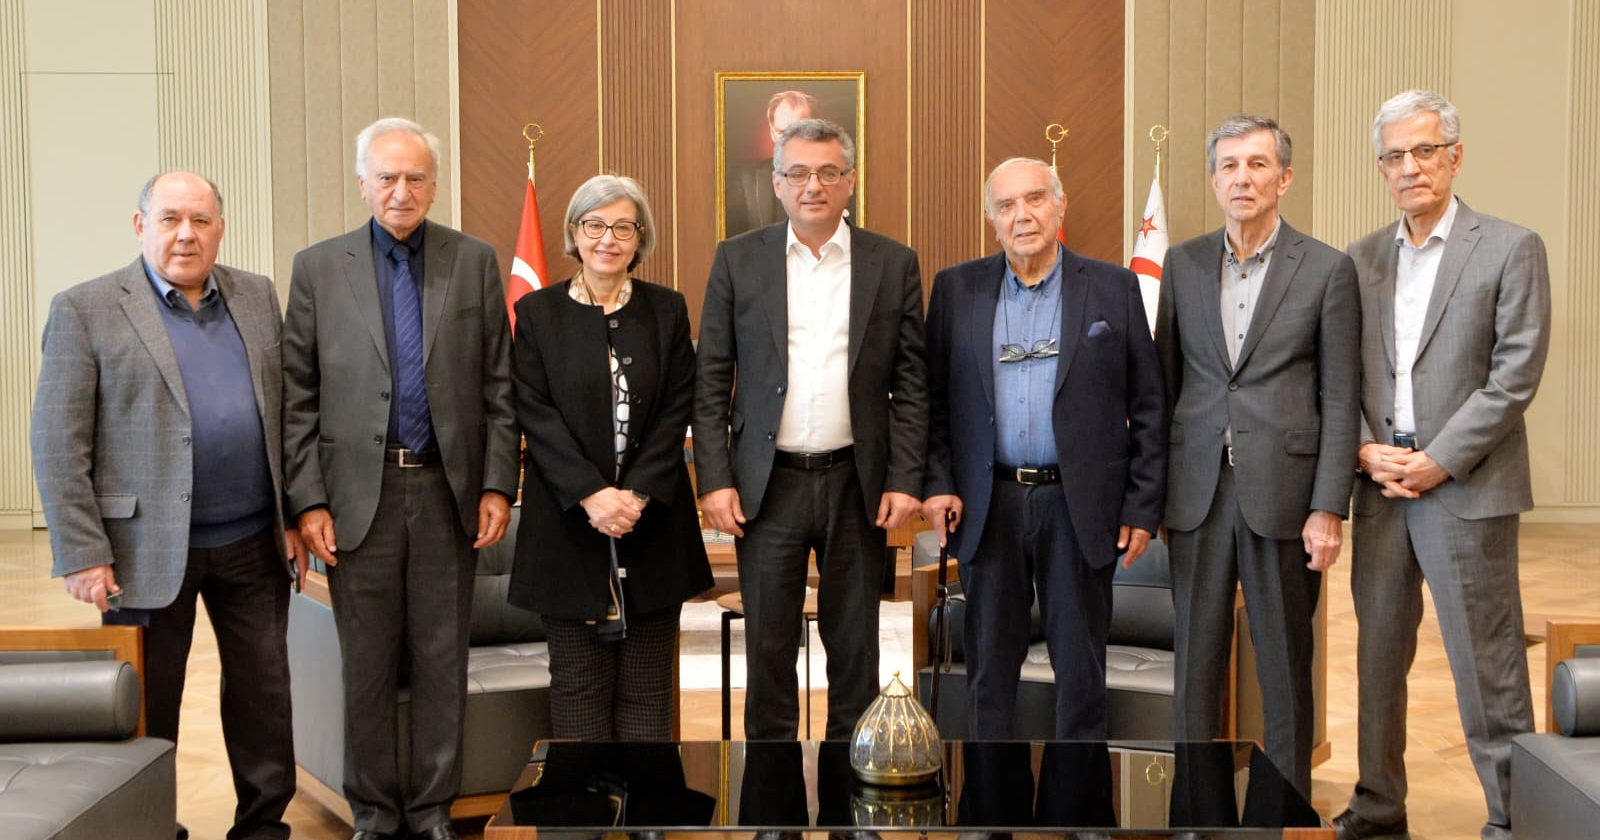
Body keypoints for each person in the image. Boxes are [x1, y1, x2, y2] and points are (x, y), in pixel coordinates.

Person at [31, 171, 304, 840]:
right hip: (140, 550)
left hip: (253, 542)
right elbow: (58, 441)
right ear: (140, 226)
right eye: (170, 219)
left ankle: (263, 827)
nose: (186, 234)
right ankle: (151, 826)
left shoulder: (256, 296)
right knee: (151, 703)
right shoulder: (85, 308)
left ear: (220, 228)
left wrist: (296, 515)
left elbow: (287, 415)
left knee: (265, 697)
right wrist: (82, 551)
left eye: (201, 220)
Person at [282, 117, 519, 840]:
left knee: (443, 660)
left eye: (416, 177)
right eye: (387, 177)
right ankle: (375, 813)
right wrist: (308, 499)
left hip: (448, 493)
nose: (401, 191)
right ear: (363, 183)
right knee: (368, 666)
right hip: (359, 499)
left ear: (434, 186)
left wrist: (496, 484)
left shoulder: (473, 261)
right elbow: (298, 396)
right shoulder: (318, 268)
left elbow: (499, 385)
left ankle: (432, 810)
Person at [1332, 90, 1550, 840]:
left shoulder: (1511, 247)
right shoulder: (1360, 258)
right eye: (1394, 156)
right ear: (1381, 169)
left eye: (1425, 151)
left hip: (1467, 489)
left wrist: (1440, 460)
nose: (1410, 167)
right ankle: (1377, 807)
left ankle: (1515, 819)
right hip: (1382, 491)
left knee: (1489, 667)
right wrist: (1365, 448)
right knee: (1377, 661)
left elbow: (1514, 375)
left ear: (1455, 156)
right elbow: (1341, 372)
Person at [693, 117, 928, 740]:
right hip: (767, 487)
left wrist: (905, 478)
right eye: (797, 173)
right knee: (769, 652)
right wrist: (714, 478)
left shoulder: (893, 263)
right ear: (777, 182)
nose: (812, 186)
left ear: (850, 180)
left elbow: (912, 382)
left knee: (856, 650)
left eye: (828, 172)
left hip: (858, 482)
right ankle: (772, 793)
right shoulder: (738, 259)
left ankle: (853, 786)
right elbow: (711, 377)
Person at [921, 157, 1165, 739]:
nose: (1022, 215)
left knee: (1081, 678)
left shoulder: (1114, 287)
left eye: (1034, 199)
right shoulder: (956, 289)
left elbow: (1151, 406)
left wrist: (1141, 506)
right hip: (988, 505)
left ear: (1060, 206)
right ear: (991, 219)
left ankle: (1078, 798)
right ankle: (990, 797)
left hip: (1079, 506)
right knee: (988, 679)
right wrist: (937, 483)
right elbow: (931, 402)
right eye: (1006, 206)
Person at [1155, 114, 1360, 798]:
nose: (1242, 178)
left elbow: (1340, 397)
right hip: (1196, 495)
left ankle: (1286, 813)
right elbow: (1165, 385)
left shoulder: (1327, 269)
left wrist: (1329, 507)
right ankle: (1196, 812)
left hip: (1287, 498)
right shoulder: (1182, 263)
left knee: (1284, 666)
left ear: (1284, 177)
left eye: (1257, 164)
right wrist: (1155, 497)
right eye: (1229, 166)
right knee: (1196, 667)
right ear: (1214, 180)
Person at [507, 174, 713, 740]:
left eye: (623, 227)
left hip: (652, 526)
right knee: (578, 686)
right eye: (595, 225)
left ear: (640, 237)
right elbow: (534, 412)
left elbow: (677, 407)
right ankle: (584, 798)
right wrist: (592, 494)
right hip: (568, 526)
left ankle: (646, 800)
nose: (608, 239)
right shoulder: (538, 312)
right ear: (574, 233)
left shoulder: (666, 309)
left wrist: (635, 495)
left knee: (648, 689)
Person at [728, 90, 816, 236]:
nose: (790, 141)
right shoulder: (747, 181)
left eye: (800, 131)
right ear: (772, 133)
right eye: (782, 132)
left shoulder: (841, 179)